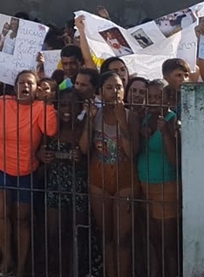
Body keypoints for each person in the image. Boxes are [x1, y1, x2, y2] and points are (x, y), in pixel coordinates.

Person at [0, 69, 57, 277]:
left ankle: (21, 267)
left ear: (36, 88)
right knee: (0, 214)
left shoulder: (40, 107)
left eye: (30, 83)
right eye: (21, 82)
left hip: (26, 169)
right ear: (16, 86)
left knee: (22, 219)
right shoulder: (2, 102)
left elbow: (50, 130)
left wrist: (48, 105)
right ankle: (7, 258)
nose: (25, 86)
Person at [38, 89, 103, 277]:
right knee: (54, 235)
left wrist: (80, 158)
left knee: (78, 235)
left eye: (73, 105)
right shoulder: (51, 126)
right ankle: (58, 271)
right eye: (64, 105)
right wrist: (41, 155)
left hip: (78, 186)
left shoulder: (85, 125)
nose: (67, 109)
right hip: (54, 186)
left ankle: (76, 271)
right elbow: (38, 150)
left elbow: (88, 152)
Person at [82, 70, 140, 277]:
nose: (115, 92)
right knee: (106, 235)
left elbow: (132, 151)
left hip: (125, 179)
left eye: (119, 87)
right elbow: (83, 148)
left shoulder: (130, 116)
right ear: (100, 91)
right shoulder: (94, 114)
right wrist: (89, 120)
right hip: (99, 178)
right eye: (109, 88)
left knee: (122, 237)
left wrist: (121, 121)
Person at [138, 79, 180, 277]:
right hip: (145, 187)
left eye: (158, 97)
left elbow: (174, 160)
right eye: (150, 97)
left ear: (168, 99)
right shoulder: (145, 118)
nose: (153, 101)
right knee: (153, 242)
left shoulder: (172, 121)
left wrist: (165, 133)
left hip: (166, 188)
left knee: (168, 244)